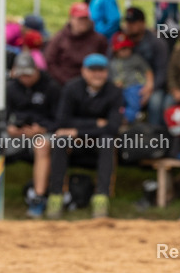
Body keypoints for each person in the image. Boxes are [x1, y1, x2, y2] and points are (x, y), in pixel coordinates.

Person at [0, 52, 60, 219]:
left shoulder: (51, 87)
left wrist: (42, 129)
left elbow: (59, 120)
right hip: (16, 136)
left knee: (42, 145)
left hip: (42, 135)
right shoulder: (10, 87)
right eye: (21, 74)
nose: (25, 78)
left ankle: (38, 198)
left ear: (36, 70)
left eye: (28, 74)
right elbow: (0, 119)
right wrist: (9, 128)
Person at [46, 54, 123, 219]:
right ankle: (56, 195)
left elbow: (112, 127)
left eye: (101, 70)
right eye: (92, 70)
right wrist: (96, 124)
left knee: (107, 141)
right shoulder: (71, 88)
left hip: (97, 143)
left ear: (107, 72)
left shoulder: (114, 92)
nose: (97, 74)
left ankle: (101, 198)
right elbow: (62, 121)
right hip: (75, 144)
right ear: (83, 71)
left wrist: (77, 131)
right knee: (60, 141)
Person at [117, 6, 169, 127]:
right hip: (124, 83)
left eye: (133, 22)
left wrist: (150, 89)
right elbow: (112, 63)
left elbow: (162, 71)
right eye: (127, 22)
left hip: (151, 85)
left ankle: (154, 135)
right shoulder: (120, 39)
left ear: (143, 23)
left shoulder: (156, 42)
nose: (129, 25)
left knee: (155, 102)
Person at [45, 3, 109, 86]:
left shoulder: (99, 39)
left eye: (85, 18)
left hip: (90, 83)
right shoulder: (59, 38)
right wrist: (65, 80)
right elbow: (50, 61)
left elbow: (104, 61)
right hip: (63, 82)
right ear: (71, 19)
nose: (83, 22)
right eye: (80, 19)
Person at [109, 32, 153, 124]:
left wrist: (149, 85)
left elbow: (147, 71)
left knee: (133, 100)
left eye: (127, 48)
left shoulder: (135, 59)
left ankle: (129, 119)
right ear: (115, 50)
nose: (125, 51)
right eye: (122, 49)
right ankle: (119, 118)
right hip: (120, 89)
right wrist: (115, 84)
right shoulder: (113, 63)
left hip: (135, 85)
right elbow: (111, 77)